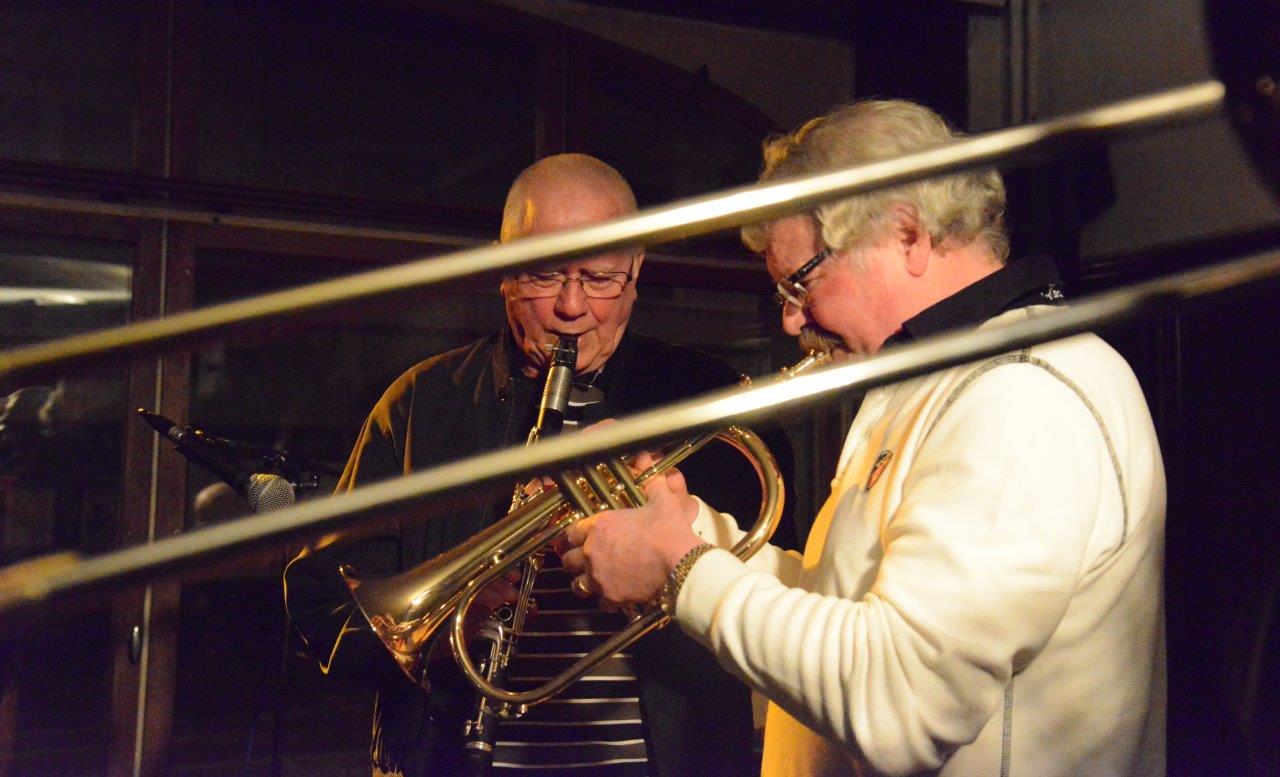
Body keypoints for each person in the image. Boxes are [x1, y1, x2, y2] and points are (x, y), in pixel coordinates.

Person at [562, 101, 1167, 776]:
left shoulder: (1022, 392)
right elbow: (838, 614)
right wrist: (688, 528)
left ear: (907, 234)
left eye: (801, 283)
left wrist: (681, 571)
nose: (792, 321)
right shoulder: (936, 381)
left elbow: (901, 703)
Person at [284, 153, 794, 777]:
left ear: (636, 270)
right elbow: (324, 609)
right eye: (545, 274)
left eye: (600, 277)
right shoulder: (422, 403)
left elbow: (787, 600)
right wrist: (453, 624)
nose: (572, 307)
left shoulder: (714, 398)